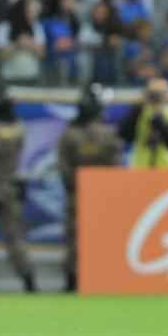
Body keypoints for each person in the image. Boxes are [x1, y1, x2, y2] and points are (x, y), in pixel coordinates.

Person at [55, 84, 122, 291]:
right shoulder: (109, 134)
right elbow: (115, 165)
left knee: (75, 237)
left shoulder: (70, 134)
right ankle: (100, 277)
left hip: (79, 193)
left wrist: (74, 184)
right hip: (99, 194)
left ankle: (72, 280)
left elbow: (63, 166)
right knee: (101, 236)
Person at [0, 80, 33, 292]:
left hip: (0, 185)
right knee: (15, 238)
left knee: (14, 237)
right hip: (9, 187)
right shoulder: (18, 130)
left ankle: (28, 278)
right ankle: (29, 280)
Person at [117, 78, 168, 168]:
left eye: (160, 94)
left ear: (167, 95)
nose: (156, 97)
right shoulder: (139, 111)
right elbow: (124, 135)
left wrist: (160, 122)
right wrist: (136, 109)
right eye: (153, 94)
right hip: (141, 167)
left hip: (167, 167)